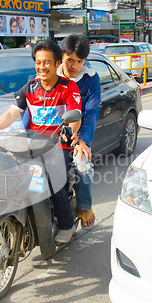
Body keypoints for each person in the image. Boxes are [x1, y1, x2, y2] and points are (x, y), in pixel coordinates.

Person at [0, 40, 82, 244]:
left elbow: (75, 115)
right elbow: (11, 112)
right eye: (38, 62)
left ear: (57, 63)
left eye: (47, 62)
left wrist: (69, 131)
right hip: (31, 144)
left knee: (53, 180)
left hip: (58, 145)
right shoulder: (30, 88)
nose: (42, 67)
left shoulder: (69, 87)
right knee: (10, 173)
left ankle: (66, 225)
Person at [59, 34, 101, 230]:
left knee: (82, 166)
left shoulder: (91, 80)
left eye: (79, 61)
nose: (74, 66)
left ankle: (84, 207)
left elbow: (91, 113)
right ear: (62, 56)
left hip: (78, 136)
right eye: (70, 61)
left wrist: (83, 139)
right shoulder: (51, 75)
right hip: (49, 136)